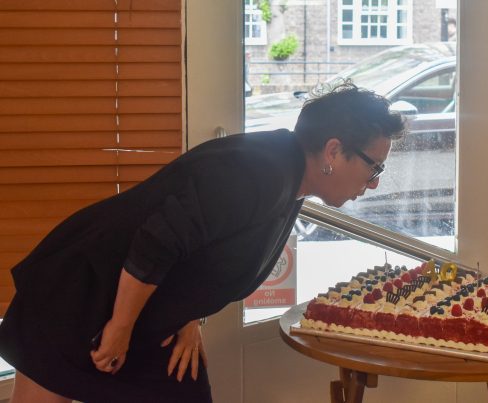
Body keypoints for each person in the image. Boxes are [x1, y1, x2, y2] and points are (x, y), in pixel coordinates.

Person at [0, 81, 405, 403]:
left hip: (143, 314)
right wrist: (119, 328)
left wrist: (188, 315)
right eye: (374, 167)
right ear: (333, 151)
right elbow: (157, 242)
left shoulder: (290, 179)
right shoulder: (259, 170)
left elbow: (202, 244)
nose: (374, 183)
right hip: (77, 298)